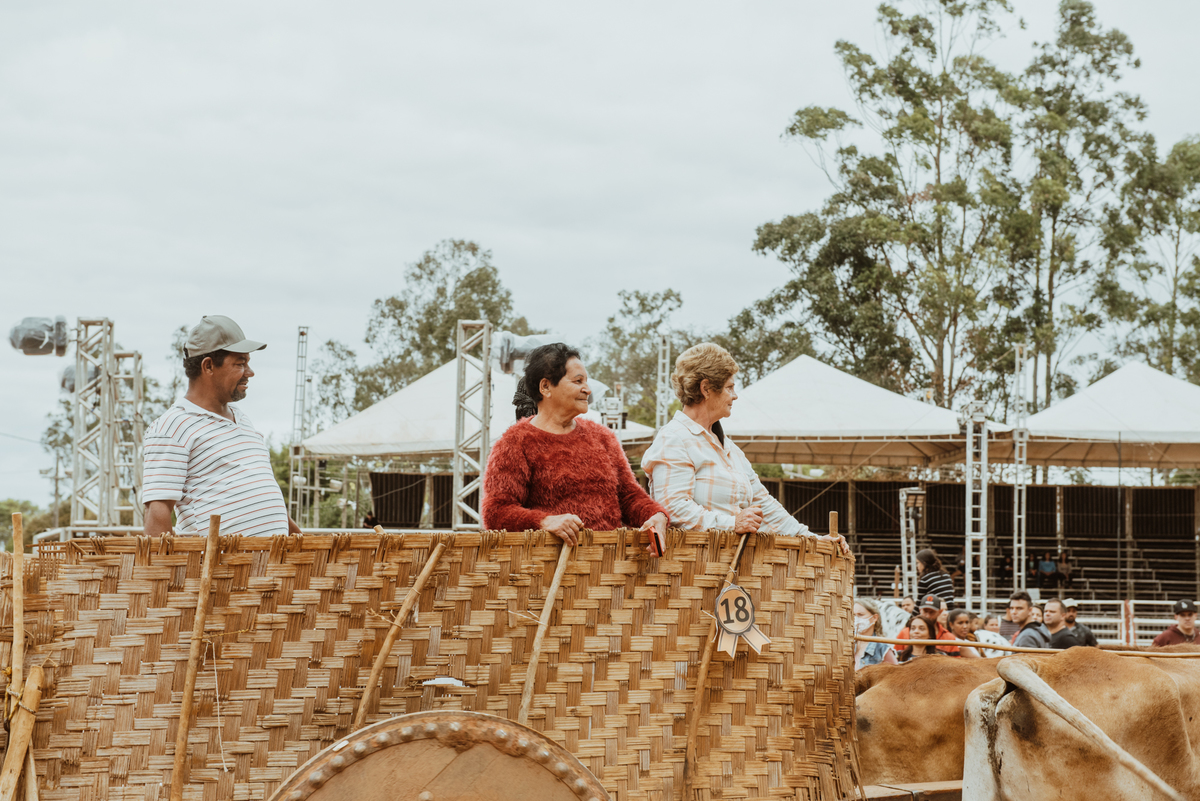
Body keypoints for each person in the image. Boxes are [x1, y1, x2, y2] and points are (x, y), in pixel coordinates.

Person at [640, 343, 850, 553]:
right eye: (729, 387)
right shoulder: (673, 438)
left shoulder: (729, 448)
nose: (735, 395)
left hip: (735, 565)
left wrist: (812, 539)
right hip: (694, 567)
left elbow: (764, 505)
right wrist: (732, 523)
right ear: (706, 389)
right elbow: (673, 509)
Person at [482, 344, 668, 552]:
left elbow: (629, 497)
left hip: (608, 564)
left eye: (586, 381)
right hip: (548, 567)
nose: (587, 389)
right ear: (545, 387)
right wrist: (544, 521)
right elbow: (496, 512)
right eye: (578, 381)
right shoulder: (514, 443)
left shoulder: (603, 437)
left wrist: (655, 515)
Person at [143, 316, 301, 537]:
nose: (250, 372)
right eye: (240, 363)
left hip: (273, 558)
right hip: (218, 560)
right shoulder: (173, 426)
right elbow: (157, 511)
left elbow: (264, 495)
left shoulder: (243, 420)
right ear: (208, 366)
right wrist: (161, 560)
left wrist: (299, 538)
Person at [893, 594, 959, 655]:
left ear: (939, 612)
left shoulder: (949, 638)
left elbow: (955, 662)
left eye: (932, 612)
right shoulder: (904, 633)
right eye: (925, 611)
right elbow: (895, 658)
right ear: (920, 610)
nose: (928, 616)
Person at [853, 599, 899, 669]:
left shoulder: (882, 649)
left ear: (874, 618)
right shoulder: (847, 643)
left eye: (861, 615)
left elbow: (896, 672)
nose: (856, 619)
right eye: (854, 615)